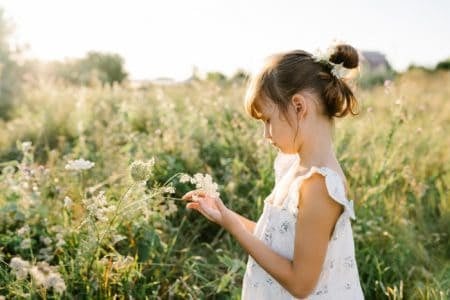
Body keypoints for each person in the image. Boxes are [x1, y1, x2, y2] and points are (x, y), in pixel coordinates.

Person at [182, 43, 365, 299]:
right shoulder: (294, 166)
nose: (265, 134)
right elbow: (278, 241)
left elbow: (301, 285)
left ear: (299, 107)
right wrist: (225, 216)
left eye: (267, 120)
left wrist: (233, 226)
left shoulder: (319, 185)